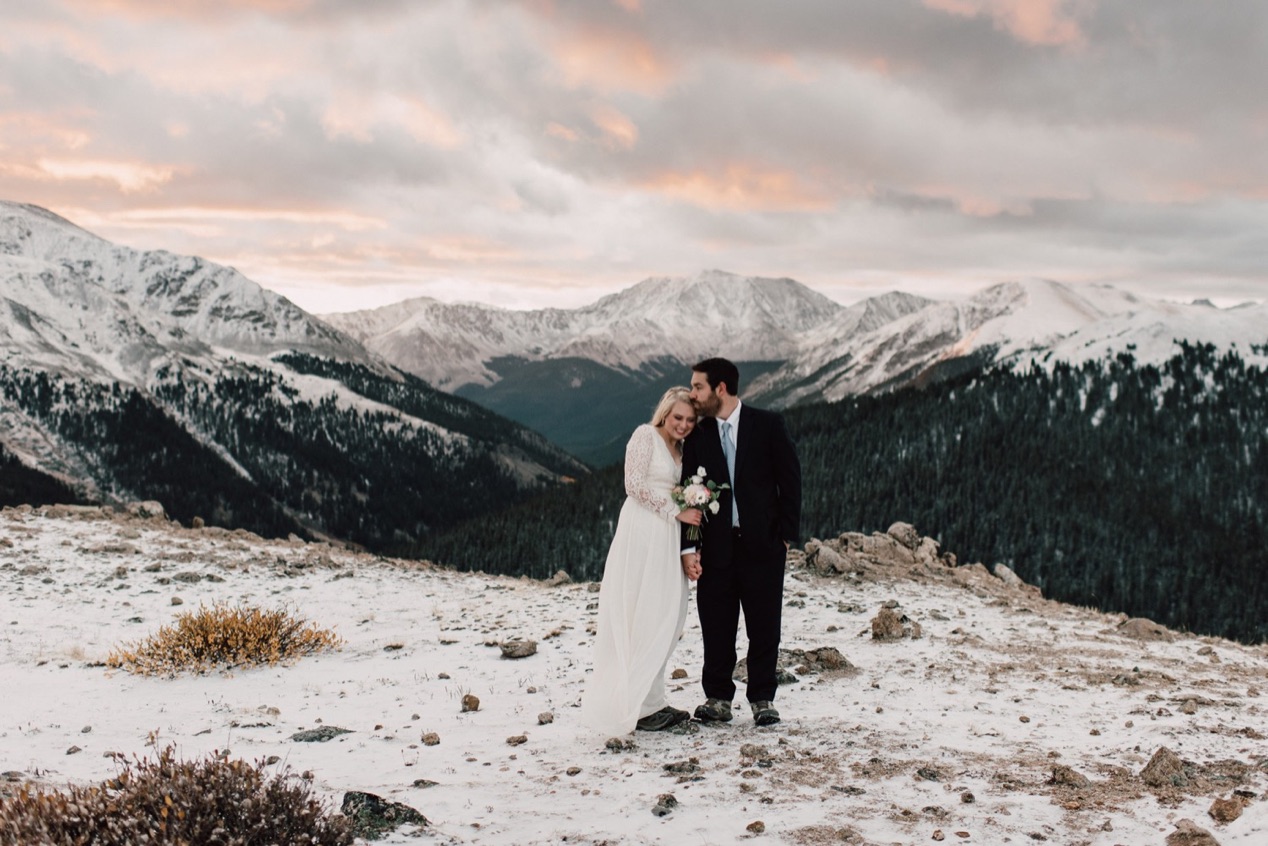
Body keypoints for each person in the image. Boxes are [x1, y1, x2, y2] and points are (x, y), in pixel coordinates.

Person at [680, 357, 801, 726]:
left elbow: (790, 480)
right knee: (716, 623)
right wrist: (690, 547)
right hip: (716, 549)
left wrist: (784, 537)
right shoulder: (698, 435)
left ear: (720, 389)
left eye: (698, 386)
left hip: (763, 546)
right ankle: (717, 697)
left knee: (765, 624)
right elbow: (690, 492)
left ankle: (762, 697)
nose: (692, 394)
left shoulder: (766, 425)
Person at [581, 387, 704, 735]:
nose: (682, 425)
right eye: (677, 417)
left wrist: (688, 545)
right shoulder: (644, 435)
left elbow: (690, 501)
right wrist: (676, 510)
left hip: (669, 538)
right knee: (642, 610)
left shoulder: (683, 450)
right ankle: (639, 705)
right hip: (642, 532)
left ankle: (652, 698)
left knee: (667, 612)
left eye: (690, 420)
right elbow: (632, 484)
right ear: (665, 413)